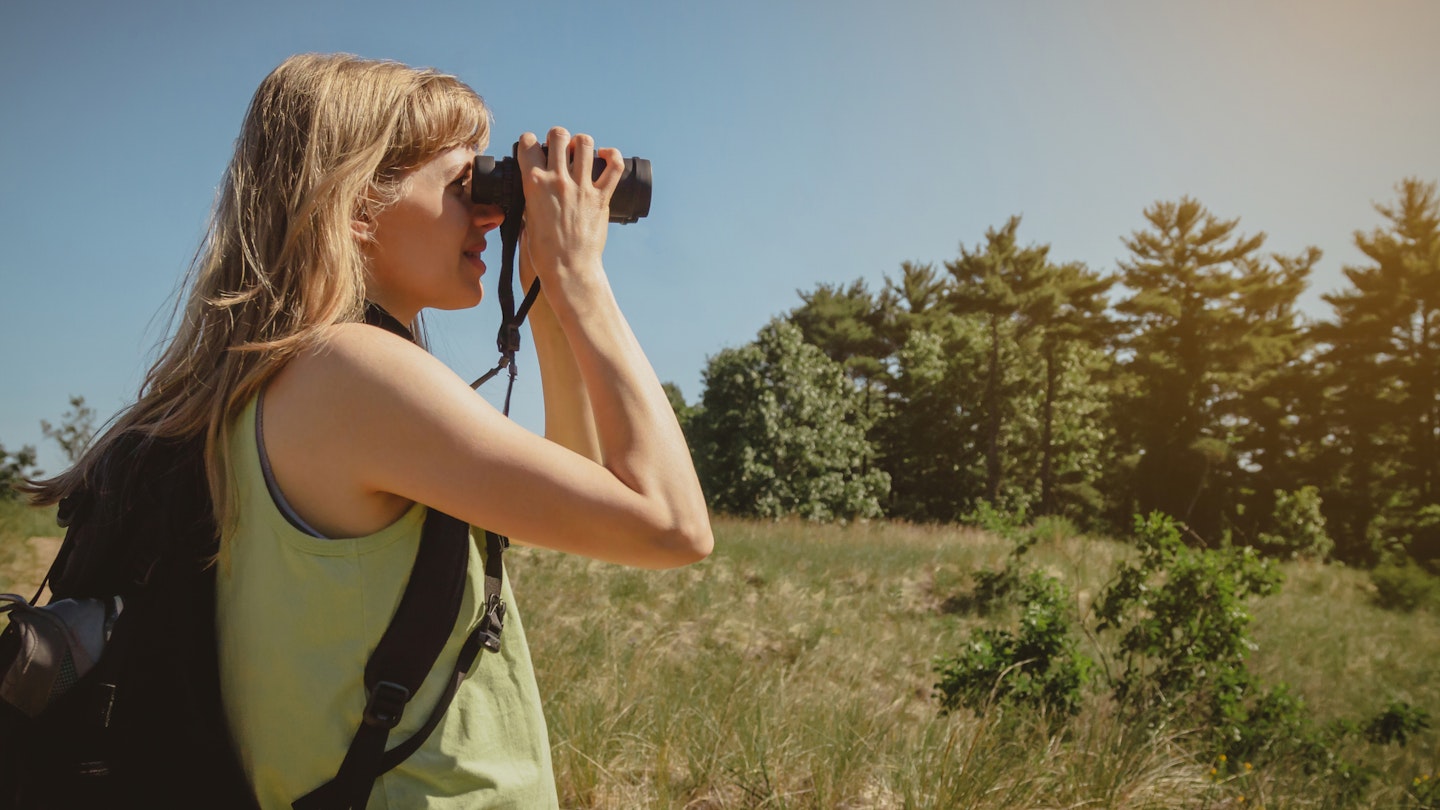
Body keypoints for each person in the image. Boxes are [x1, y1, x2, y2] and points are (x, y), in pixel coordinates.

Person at [28, 52, 712, 808]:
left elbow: (579, 506)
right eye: (464, 186)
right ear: (357, 208)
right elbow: (671, 526)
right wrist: (583, 278)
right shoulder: (353, 372)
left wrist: (545, 299)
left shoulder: (276, 379)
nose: (489, 213)